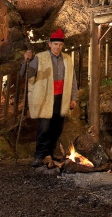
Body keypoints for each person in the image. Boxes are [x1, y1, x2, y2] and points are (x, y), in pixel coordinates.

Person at [21, 28, 78, 167]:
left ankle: (50, 153)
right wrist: (26, 61)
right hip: (46, 97)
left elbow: (73, 79)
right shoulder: (40, 58)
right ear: (49, 44)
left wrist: (73, 97)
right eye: (55, 44)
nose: (58, 47)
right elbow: (27, 74)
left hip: (61, 97)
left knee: (57, 127)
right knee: (44, 127)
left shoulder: (67, 59)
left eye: (60, 44)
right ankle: (39, 155)